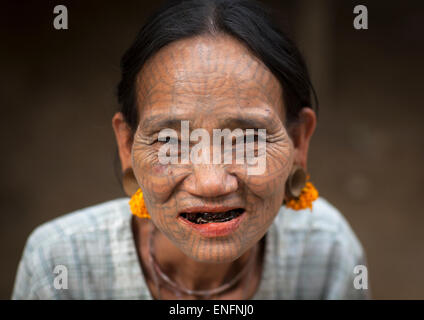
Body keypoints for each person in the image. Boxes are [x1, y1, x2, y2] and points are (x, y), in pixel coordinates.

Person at [12, 0, 369, 299]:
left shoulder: (326, 253)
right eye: (170, 142)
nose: (211, 183)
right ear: (127, 145)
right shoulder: (61, 265)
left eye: (246, 140)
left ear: (298, 142)